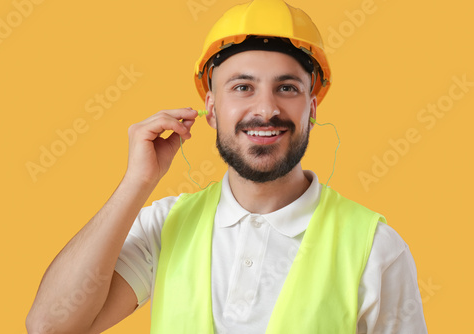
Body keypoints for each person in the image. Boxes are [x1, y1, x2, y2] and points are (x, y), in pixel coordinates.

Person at [26, 0, 428, 333]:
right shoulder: (166, 227)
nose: (267, 109)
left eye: (287, 88)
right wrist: (137, 182)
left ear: (312, 107)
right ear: (212, 110)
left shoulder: (375, 249)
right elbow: (50, 327)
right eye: (242, 87)